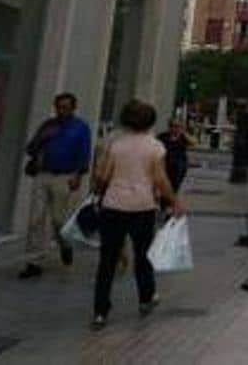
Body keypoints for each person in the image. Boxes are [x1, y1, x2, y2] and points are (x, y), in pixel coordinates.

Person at [90, 99, 184, 330]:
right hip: (142, 207)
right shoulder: (155, 147)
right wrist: (174, 201)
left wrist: (98, 192)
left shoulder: (115, 145)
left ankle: (100, 311)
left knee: (107, 260)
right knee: (143, 255)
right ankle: (146, 297)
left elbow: (102, 176)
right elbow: (160, 179)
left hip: (113, 205)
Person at [18, 92, 92, 279]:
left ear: (73, 108)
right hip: (44, 174)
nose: (62, 111)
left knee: (59, 220)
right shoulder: (48, 126)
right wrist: (42, 139)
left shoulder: (80, 128)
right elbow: (31, 147)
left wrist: (78, 175)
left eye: (66, 107)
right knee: (36, 218)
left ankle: (65, 245)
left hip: (65, 177)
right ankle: (34, 261)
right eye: (59, 107)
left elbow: (84, 153)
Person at [156, 119, 192, 195]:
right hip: (166, 163)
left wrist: (183, 133)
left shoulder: (183, 137)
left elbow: (193, 143)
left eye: (177, 126)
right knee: (164, 183)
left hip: (179, 165)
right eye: (172, 126)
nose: (174, 129)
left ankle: (170, 198)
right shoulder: (163, 136)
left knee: (175, 184)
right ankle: (165, 200)